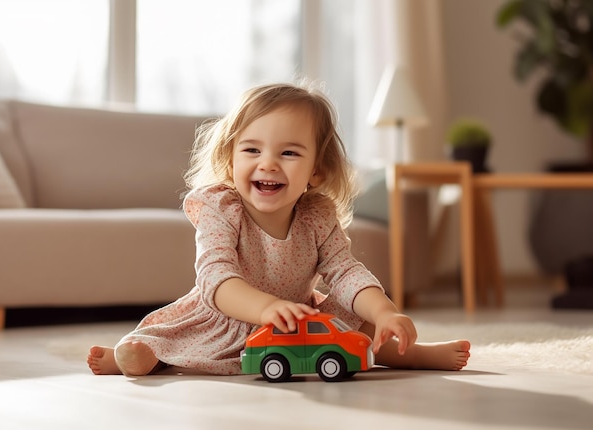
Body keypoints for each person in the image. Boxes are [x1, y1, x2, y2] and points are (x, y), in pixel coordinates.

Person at [87, 81, 470, 377]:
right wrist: (266, 308)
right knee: (165, 343)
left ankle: (410, 353)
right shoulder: (221, 208)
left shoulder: (317, 216)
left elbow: (346, 272)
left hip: (295, 318)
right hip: (226, 317)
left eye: (288, 153)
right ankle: (134, 359)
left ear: (316, 170)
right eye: (252, 150)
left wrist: (386, 312)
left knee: (361, 326)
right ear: (230, 158)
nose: (268, 164)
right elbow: (216, 277)